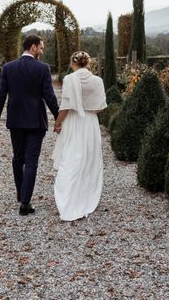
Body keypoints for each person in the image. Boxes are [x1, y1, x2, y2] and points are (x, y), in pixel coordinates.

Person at [0, 34, 59, 216]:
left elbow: (0, 96)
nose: (42, 51)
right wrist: (60, 118)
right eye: (41, 48)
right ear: (33, 47)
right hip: (36, 122)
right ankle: (25, 202)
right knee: (31, 162)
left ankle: (22, 194)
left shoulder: (8, 68)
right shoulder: (43, 68)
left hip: (16, 121)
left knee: (17, 158)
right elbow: (49, 97)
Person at [52, 51, 107, 221]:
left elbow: (66, 106)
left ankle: (69, 197)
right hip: (90, 123)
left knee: (71, 159)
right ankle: (86, 195)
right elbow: (100, 107)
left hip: (74, 122)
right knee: (89, 159)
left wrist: (58, 122)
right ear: (88, 63)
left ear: (73, 63)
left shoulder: (70, 79)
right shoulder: (97, 81)